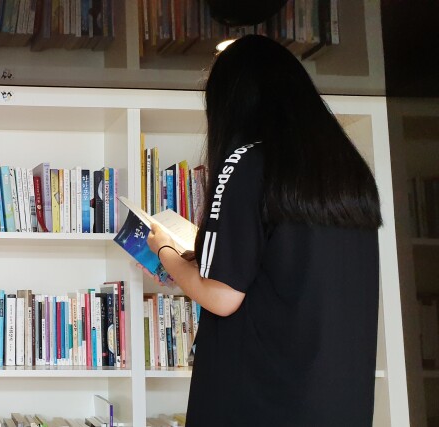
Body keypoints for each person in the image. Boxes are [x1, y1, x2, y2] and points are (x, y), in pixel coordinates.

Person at [146, 35, 382, 426]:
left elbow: (222, 297)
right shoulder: (348, 173)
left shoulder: (245, 160)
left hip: (258, 403)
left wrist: (165, 251)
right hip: (340, 401)